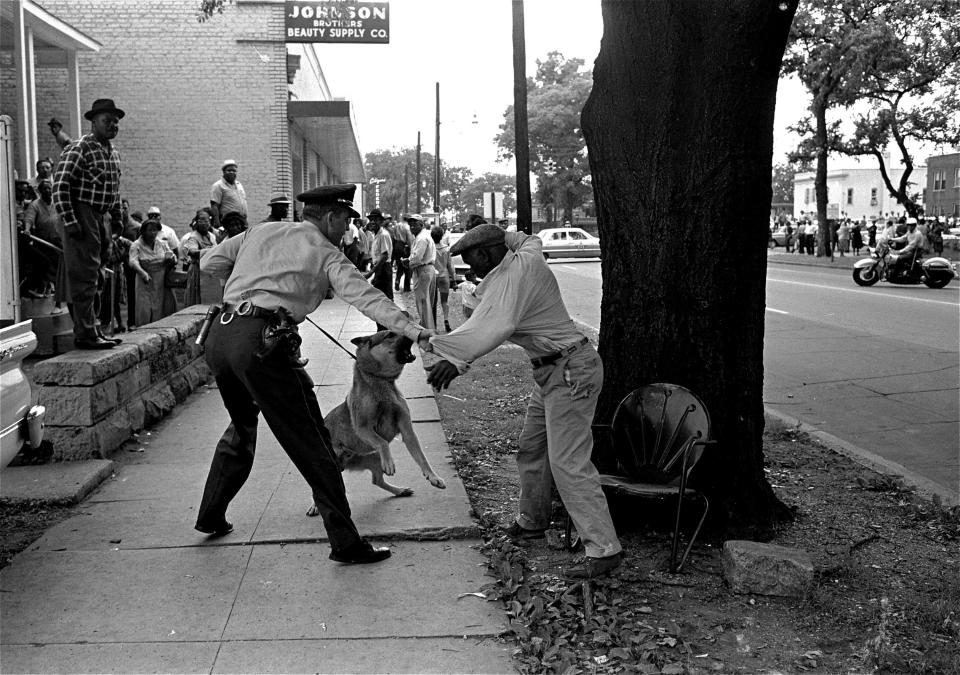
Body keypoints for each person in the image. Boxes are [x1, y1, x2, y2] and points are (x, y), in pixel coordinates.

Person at [194, 183, 432, 566]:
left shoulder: (258, 231)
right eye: (345, 222)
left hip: (221, 336)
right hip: (264, 344)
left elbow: (209, 263)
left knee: (241, 426)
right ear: (331, 216)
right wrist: (413, 330)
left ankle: (210, 515)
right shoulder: (326, 252)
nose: (347, 231)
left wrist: (250, 283)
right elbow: (368, 298)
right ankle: (346, 543)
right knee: (314, 441)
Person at [425, 224, 623, 579]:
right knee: (532, 448)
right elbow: (524, 238)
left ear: (485, 254)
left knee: (568, 462)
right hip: (552, 371)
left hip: (569, 372)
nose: (472, 269)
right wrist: (501, 235)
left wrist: (453, 359)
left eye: (472, 260)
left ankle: (605, 548)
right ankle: (532, 521)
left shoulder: (510, 283)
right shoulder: (528, 254)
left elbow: (488, 329)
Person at [51, 98, 125, 350]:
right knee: (85, 277)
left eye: (115, 121)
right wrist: (71, 221)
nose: (112, 125)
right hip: (82, 214)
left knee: (99, 276)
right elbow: (59, 187)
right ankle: (85, 334)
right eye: (107, 120)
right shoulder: (78, 148)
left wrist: (116, 218)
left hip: (101, 217)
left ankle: (95, 329)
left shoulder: (113, 153)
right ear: (93, 122)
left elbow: (114, 190)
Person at [129, 217, 177, 325]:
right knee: (144, 309)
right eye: (150, 230)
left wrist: (171, 259)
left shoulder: (162, 244)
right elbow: (133, 261)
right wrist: (143, 273)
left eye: (155, 230)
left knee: (160, 308)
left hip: (161, 281)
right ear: (143, 231)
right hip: (145, 281)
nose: (153, 233)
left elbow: (173, 257)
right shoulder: (136, 245)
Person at [22, 178, 62, 297]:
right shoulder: (35, 205)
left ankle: (56, 293)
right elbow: (29, 219)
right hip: (43, 242)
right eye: (44, 189)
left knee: (59, 266)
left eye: (49, 188)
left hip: (58, 241)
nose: (47, 191)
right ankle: (42, 288)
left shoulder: (58, 203)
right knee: (45, 264)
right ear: (40, 191)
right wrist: (27, 229)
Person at [402, 214, 437, 330]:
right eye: (410, 224)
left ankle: (427, 333)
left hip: (423, 270)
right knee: (426, 304)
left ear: (421, 225)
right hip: (427, 270)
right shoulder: (423, 236)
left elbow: (417, 258)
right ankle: (426, 329)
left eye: (414, 224)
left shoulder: (421, 238)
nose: (412, 226)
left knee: (423, 304)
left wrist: (408, 261)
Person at [182, 208, 220, 306]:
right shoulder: (193, 237)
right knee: (197, 297)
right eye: (201, 220)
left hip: (209, 272)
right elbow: (192, 251)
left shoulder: (211, 236)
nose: (204, 223)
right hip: (197, 271)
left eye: (206, 220)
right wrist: (209, 251)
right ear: (196, 222)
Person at [366, 208, 394, 310]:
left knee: (386, 299)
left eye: (375, 220)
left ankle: (387, 324)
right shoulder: (376, 234)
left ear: (381, 221)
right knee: (379, 299)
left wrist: (371, 272)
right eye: (371, 220)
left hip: (384, 268)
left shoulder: (383, 235)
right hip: (380, 269)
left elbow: (384, 255)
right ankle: (382, 325)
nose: (372, 222)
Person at [210, 160, 247, 233]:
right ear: (223, 172)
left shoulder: (239, 185)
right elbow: (214, 205)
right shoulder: (218, 186)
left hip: (241, 222)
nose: (232, 172)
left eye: (234, 171)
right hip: (229, 223)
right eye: (229, 170)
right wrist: (217, 222)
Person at [431, 225, 455, 332]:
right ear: (442, 236)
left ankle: (432, 324)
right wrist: (453, 280)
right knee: (444, 301)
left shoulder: (430, 248)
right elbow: (450, 266)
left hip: (433, 277)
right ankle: (446, 320)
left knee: (433, 301)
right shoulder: (446, 249)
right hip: (444, 277)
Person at [391, 216, 413, 292]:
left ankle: (397, 279)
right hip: (404, 246)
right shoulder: (407, 227)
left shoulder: (397, 225)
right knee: (407, 266)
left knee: (399, 264)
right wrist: (411, 248)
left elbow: (393, 236)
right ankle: (407, 287)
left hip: (396, 245)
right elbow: (409, 239)